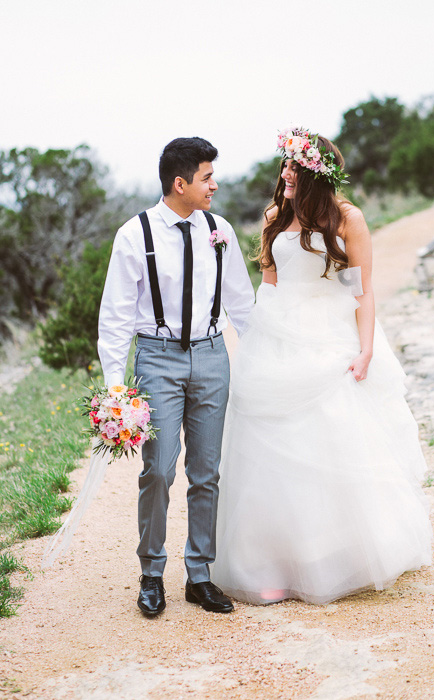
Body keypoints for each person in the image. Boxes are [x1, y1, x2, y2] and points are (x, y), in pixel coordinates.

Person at [211, 128, 432, 605]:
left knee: (332, 441)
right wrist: (255, 347)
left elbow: (362, 290)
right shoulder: (274, 216)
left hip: (329, 336)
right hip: (278, 338)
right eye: (284, 166)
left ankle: (341, 558)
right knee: (269, 454)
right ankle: (273, 563)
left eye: (294, 167)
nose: (285, 174)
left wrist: (365, 348)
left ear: (315, 174)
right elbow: (267, 287)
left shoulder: (348, 219)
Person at [98, 137, 255, 616]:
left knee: (206, 473)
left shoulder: (219, 229)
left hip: (212, 357)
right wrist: (115, 387)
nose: (215, 185)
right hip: (158, 360)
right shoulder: (134, 234)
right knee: (159, 470)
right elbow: (116, 316)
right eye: (207, 177)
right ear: (179, 183)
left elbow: (241, 302)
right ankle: (151, 573)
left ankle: (200, 575)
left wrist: (267, 356)